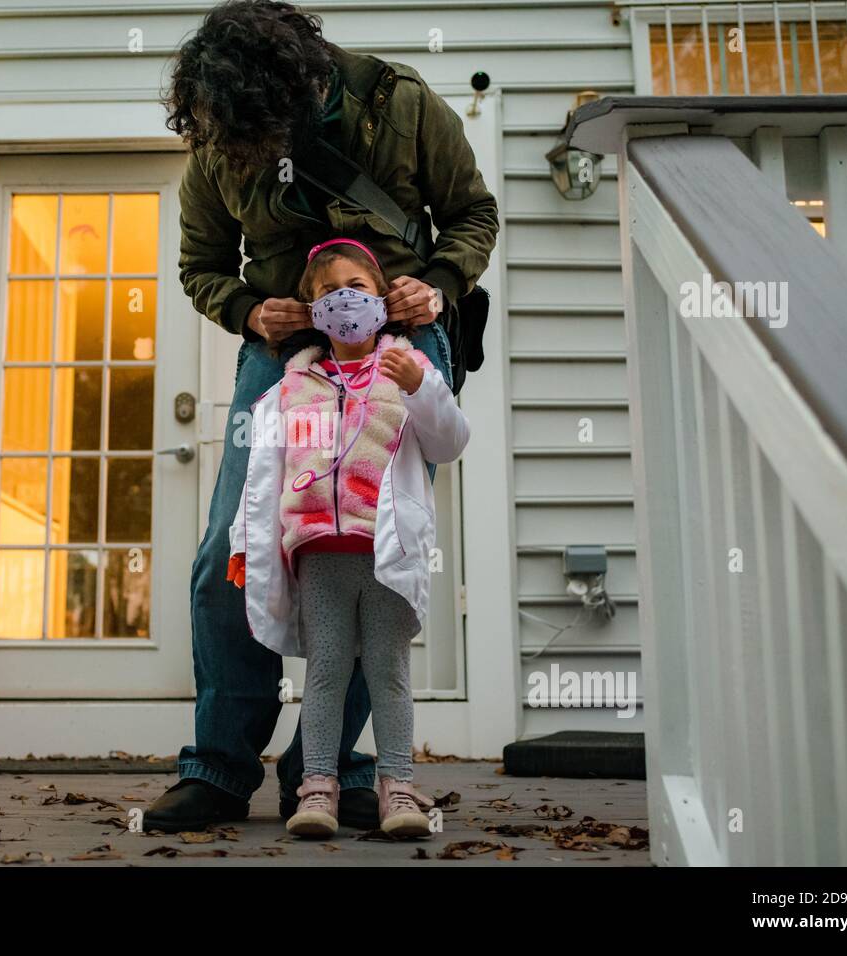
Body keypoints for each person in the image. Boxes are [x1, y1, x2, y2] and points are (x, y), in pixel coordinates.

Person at [144, 0, 498, 833]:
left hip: (403, 345)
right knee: (232, 549)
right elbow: (201, 263)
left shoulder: (403, 104)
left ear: (302, 89)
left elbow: (473, 215)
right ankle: (220, 768)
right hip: (283, 356)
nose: (250, 147)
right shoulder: (221, 138)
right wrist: (245, 313)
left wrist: (438, 285)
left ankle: (331, 770)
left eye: (264, 129)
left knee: (377, 554)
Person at [228, 238, 469, 838]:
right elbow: (261, 477)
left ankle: (399, 788)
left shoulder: (407, 368)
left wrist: (421, 385)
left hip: (385, 552)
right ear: (312, 310)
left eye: (358, 289)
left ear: (383, 300)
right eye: (328, 293)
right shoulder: (290, 387)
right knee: (326, 671)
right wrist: (242, 544)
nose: (344, 301)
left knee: (388, 671)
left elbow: (450, 442)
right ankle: (317, 788)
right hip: (317, 554)